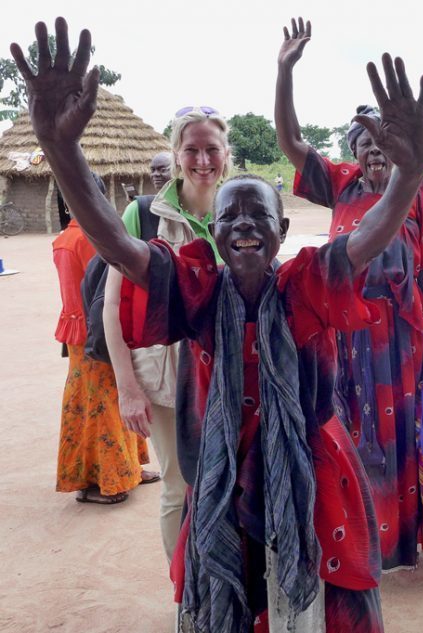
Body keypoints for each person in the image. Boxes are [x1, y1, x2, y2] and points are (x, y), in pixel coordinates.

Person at [16, 18, 423, 631]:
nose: (243, 225)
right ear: (214, 231)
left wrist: (410, 172)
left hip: (312, 480)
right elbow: (119, 248)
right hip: (223, 480)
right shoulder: (199, 290)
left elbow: (366, 238)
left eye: (258, 215)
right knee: (227, 602)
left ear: (282, 231)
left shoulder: (307, 286)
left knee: (318, 609)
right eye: (231, 216)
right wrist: (60, 149)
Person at [275, 18, 423, 570]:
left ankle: (394, 546)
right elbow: (291, 143)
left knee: (395, 436)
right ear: (354, 151)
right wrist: (285, 70)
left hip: (397, 342)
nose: (375, 152)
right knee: (343, 431)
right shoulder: (342, 185)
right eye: (365, 144)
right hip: (342, 340)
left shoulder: (420, 193)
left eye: (383, 143)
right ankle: (349, 542)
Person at [104, 108, 232, 561]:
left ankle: (222, 585)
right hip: (165, 380)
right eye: (191, 149)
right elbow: (112, 305)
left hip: (229, 375)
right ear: (177, 154)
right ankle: (185, 591)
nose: (203, 160)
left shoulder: (238, 210)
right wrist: (127, 388)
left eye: (211, 149)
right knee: (178, 487)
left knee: (230, 482)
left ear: (226, 154)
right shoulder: (143, 216)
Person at [52, 172, 154, 504]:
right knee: (103, 404)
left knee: (107, 399)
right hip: (94, 333)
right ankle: (103, 480)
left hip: (83, 330)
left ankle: (127, 469)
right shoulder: (90, 240)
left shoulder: (70, 238)